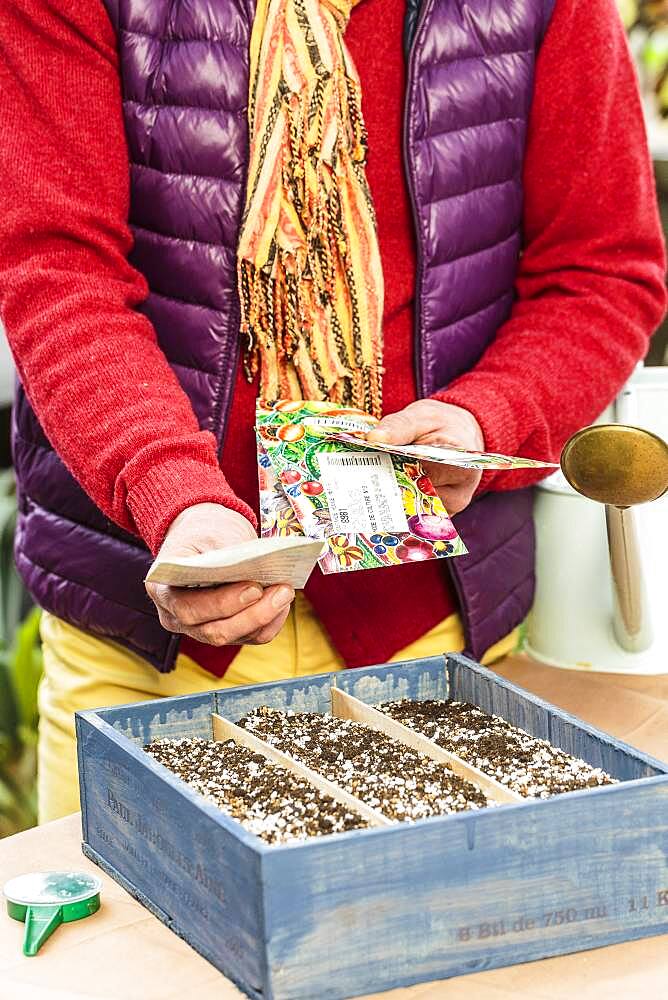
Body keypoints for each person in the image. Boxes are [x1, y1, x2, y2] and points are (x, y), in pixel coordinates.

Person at [0, 0, 665, 823]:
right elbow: (59, 269)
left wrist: (488, 418)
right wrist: (173, 491)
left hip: (430, 628)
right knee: (131, 942)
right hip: (151, 636)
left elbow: (600, 270)